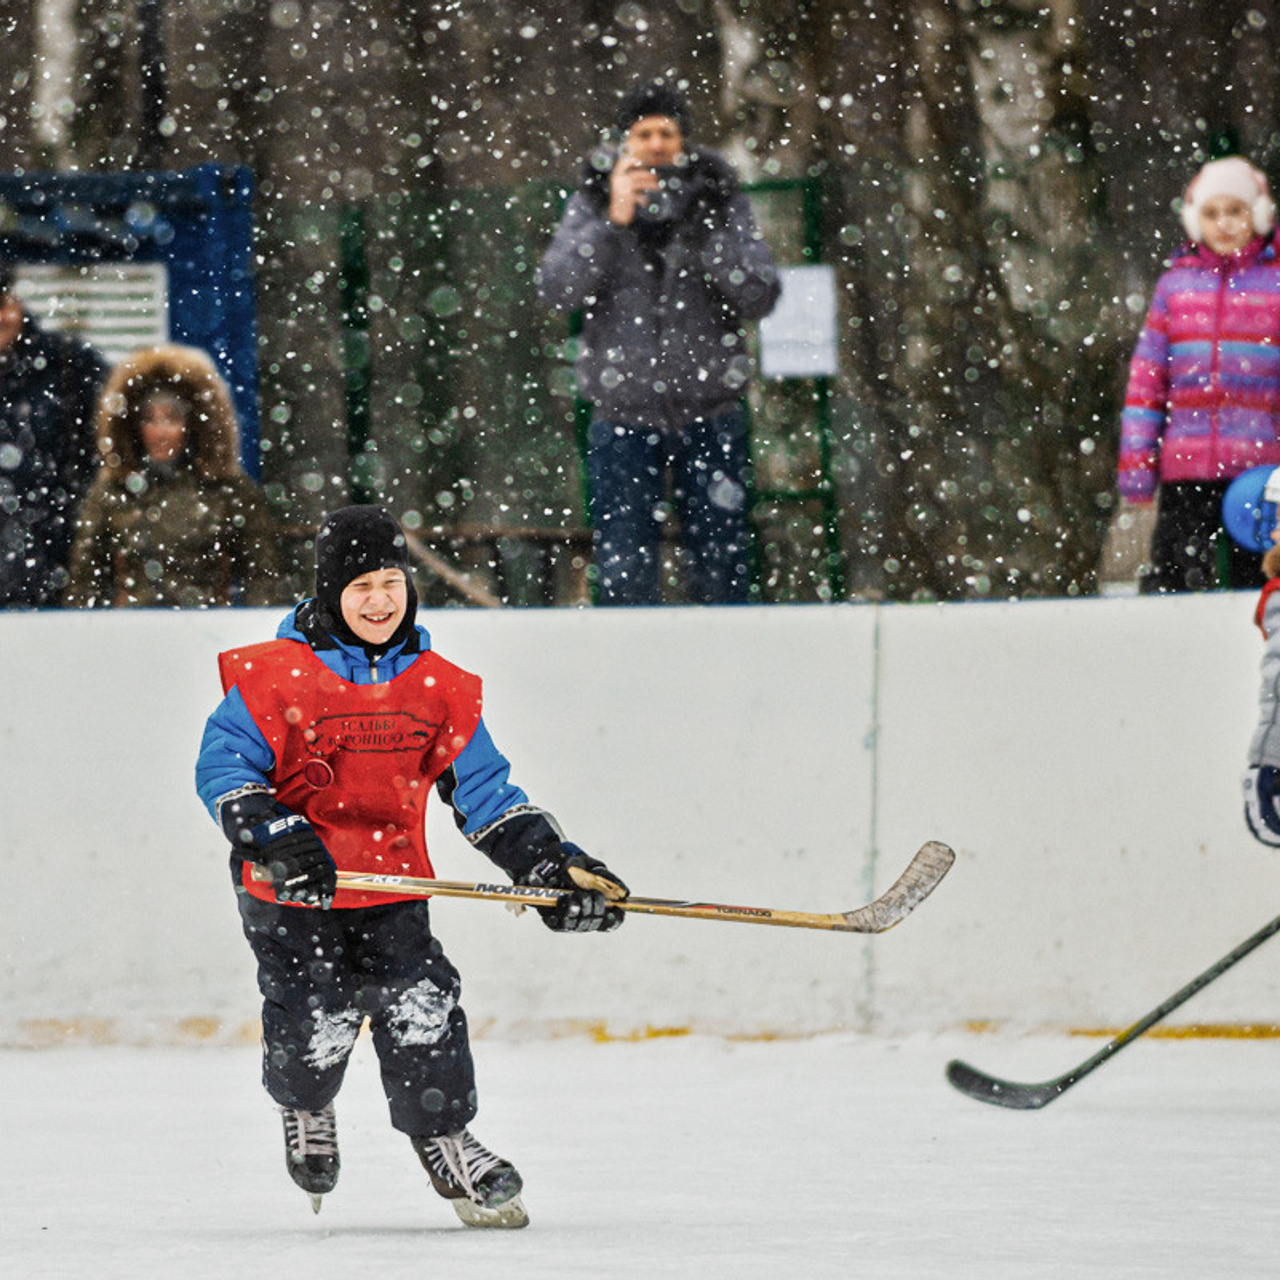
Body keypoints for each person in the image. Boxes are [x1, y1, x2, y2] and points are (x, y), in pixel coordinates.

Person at [195, 504, 628, 1227]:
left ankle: (446, 1139)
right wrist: (276, 834)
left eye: (391, 582)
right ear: (330, 592)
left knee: (422, 1003)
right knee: (315, 1013)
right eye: (361, 586)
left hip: (392, 884)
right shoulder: (274, 679)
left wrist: (551, 867)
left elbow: (487, 794)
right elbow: (224, 769)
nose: (380, 600)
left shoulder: (437, 688)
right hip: (294, 888)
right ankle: (306, 1106)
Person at [536, 78, 781, 605]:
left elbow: (760, 294)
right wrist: (612, 220)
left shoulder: (718, 197)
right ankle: (630, 655)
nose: (655, 145)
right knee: (624, 568)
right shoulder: (593, 198)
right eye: (643, 134)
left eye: (666, 133)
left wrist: (707, 231)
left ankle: (725, 653)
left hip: (711, 412)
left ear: (684, 141)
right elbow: (556, 289)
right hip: (622, 416)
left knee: (722, 567)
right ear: (624, 142)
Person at [1117, 155, 1280, 594]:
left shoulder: (1276, 284)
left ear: (1258, 214)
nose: (1224, 223)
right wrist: (1137, 463)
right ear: (1194, 220)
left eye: (1235, 210)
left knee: (1259, 582)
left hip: (1260, 472)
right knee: (1174, 576)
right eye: (1211, 213)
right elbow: (1146, 384)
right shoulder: (1175, 287)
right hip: (1187, 468)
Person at [64, 344, 280, 608]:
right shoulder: (111, 491)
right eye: (149, 419)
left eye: (172, 418)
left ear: (193, 423)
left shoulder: (228, 489)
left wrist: (257, 623)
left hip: (209, 625)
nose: (160, 432)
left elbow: (263, 576)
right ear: (132, 425)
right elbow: (84, 582)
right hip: (132, 627)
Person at [0, 260, 108, 607]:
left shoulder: (69, 365)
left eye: (2, 304)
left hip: (61, 557)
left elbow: (116, 442)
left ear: (16, 302)